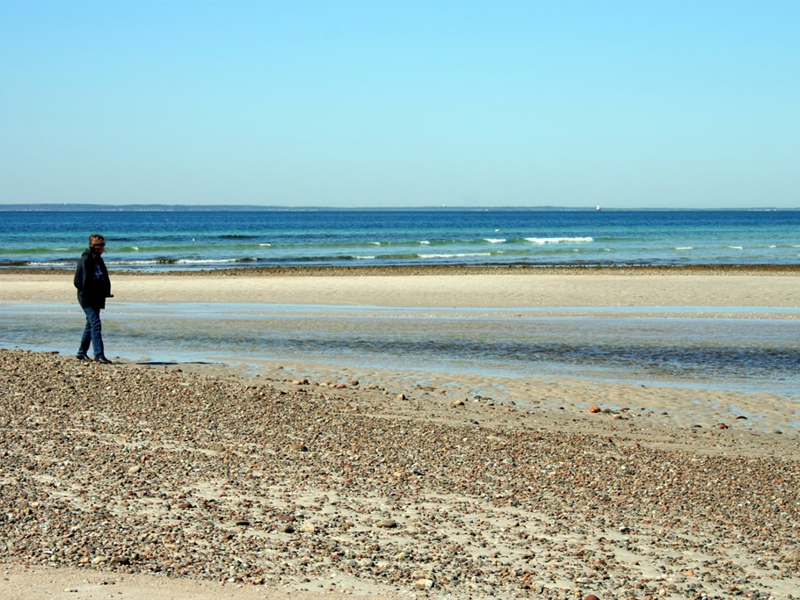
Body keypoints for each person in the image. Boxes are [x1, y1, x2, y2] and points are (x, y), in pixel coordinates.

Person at [74, 234, 113, 363]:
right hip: (87, 297)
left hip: (97, 296)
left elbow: (103, 277)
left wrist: (106, 292)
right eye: (98, 245)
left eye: (102, 245)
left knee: (90, 324)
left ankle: (81, 352)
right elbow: (78, 281)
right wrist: (85, 293)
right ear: (92, 245)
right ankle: (99, 355)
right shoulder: (86, 259)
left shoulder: (98, 259)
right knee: (96, 324)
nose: (101, 248)